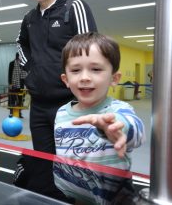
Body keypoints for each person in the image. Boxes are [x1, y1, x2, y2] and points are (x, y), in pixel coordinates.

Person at [13, 0, 97, 199]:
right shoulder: (29, 19)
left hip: (72, 104)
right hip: (39, 105)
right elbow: (21, 45)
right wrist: (31, 72)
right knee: (43, 164)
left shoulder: (74, 7)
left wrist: (74, 81)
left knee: (74, 166)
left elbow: (90, 50)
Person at [55, 32, 145, 202]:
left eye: (96, 69)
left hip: (113, 198)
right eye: (75, 70)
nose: (85, 78)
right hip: (72, 196)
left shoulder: (119, 109)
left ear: (114, 78)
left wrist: (117, 127)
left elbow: (135, 129)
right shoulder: (61, 113)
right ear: (66, 79)